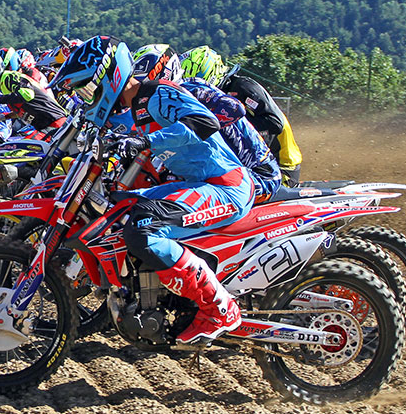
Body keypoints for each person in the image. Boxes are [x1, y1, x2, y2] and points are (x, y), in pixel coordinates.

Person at [50, 36, 255, 345]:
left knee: (143, 230)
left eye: (88, 88)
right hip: (196, 184)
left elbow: (205, 122)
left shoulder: (158, 94)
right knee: (120, 210)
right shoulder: (137, 109)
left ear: (109, 75)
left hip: (226, 186)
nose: (88, 97)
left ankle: (219, 307)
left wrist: (145, 142)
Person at [177, 46, 282, 203]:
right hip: (248, 166)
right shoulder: (216, 97)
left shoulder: (241, 87)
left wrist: (233, 122)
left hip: (281, 162)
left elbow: (275, 123)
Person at [218, 65, 303, 187]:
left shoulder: (242, 87)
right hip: (256, 167)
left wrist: (236, 125)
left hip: (281, 166)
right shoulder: (222, 93)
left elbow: (275, 123)